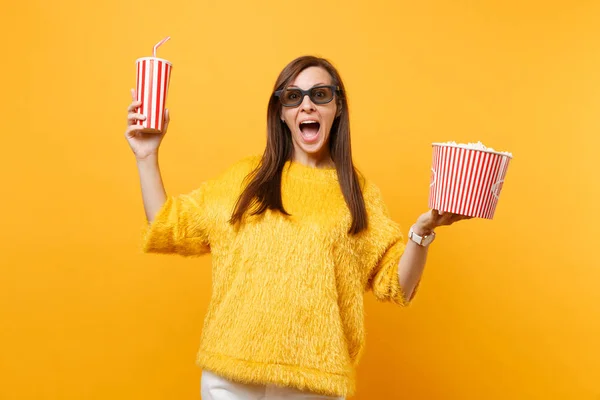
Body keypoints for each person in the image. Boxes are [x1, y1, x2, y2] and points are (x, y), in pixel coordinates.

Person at [125, 55, 471, 400]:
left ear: (337, 106)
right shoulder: (244, 180)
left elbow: (398, 285)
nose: (306, 105)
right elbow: (168, 225)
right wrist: (146, 154)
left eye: (319, 95)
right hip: (230, 374)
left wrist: (422, 232)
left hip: (313, 384)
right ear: (281, 112)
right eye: (293, 97)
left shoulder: (357, 193)